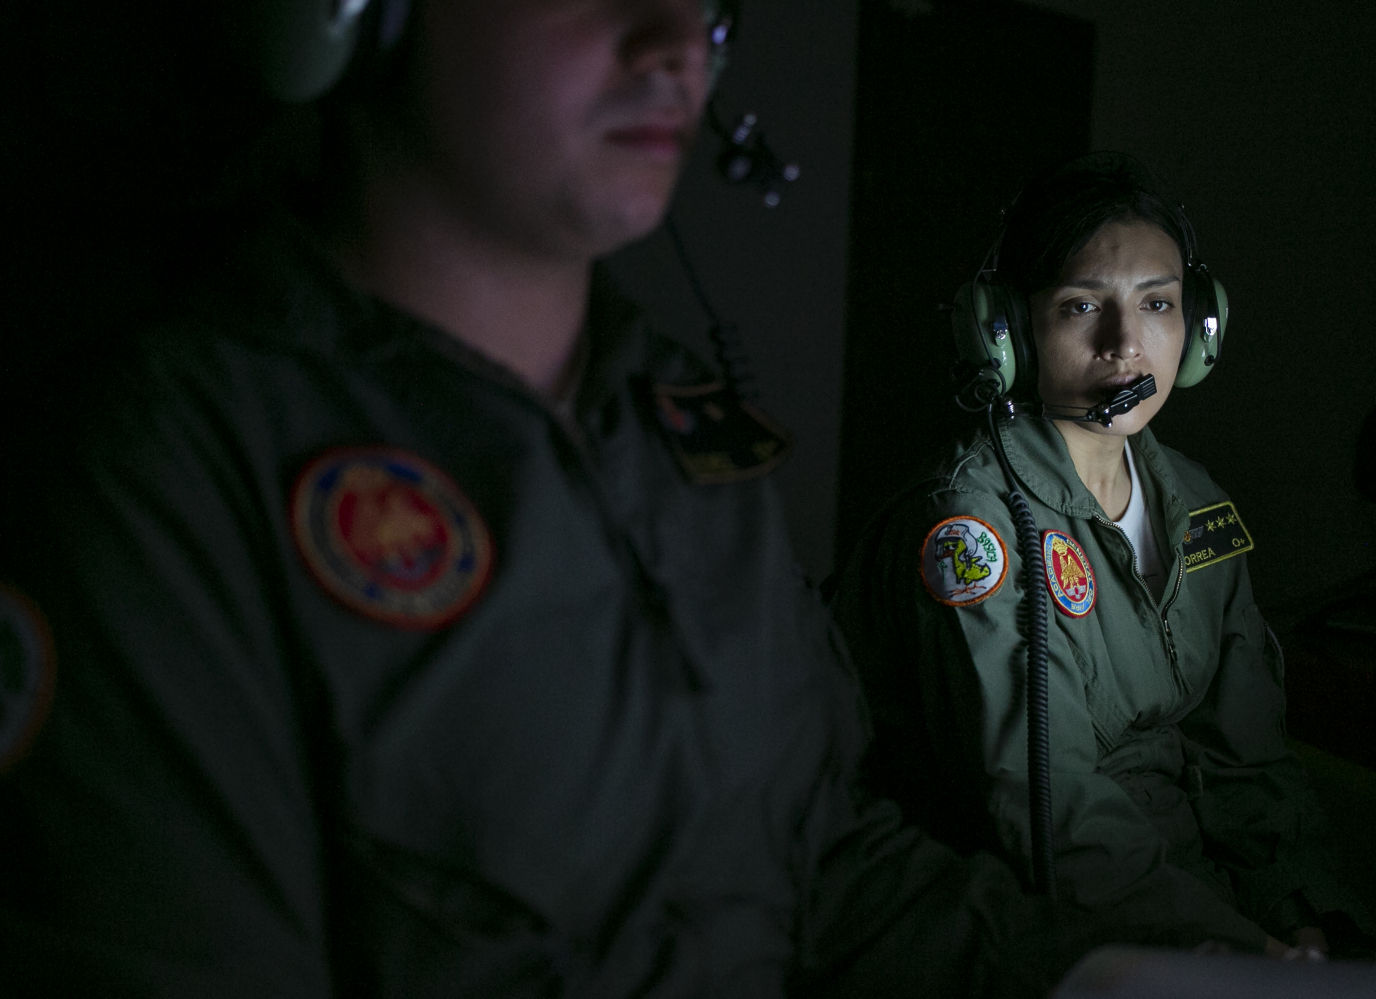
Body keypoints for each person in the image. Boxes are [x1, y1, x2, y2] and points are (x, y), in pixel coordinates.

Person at [0, 5, 1231, 996]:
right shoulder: (154, 468)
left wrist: (1112, 972)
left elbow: (824, 861)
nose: (675, 42)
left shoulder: (683, 433)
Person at [831, 153, 1372, 960]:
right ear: (1007, 332)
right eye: (1083, 305)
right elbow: (1042, 804)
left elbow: (1245, 752)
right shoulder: (974, 523)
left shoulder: (1198, 501)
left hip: (1195, 902)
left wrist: (1297, 912)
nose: (1126, 344)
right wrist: (1230, 945)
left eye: (1158, 302)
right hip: (1028, 919)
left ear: (1197, 327)